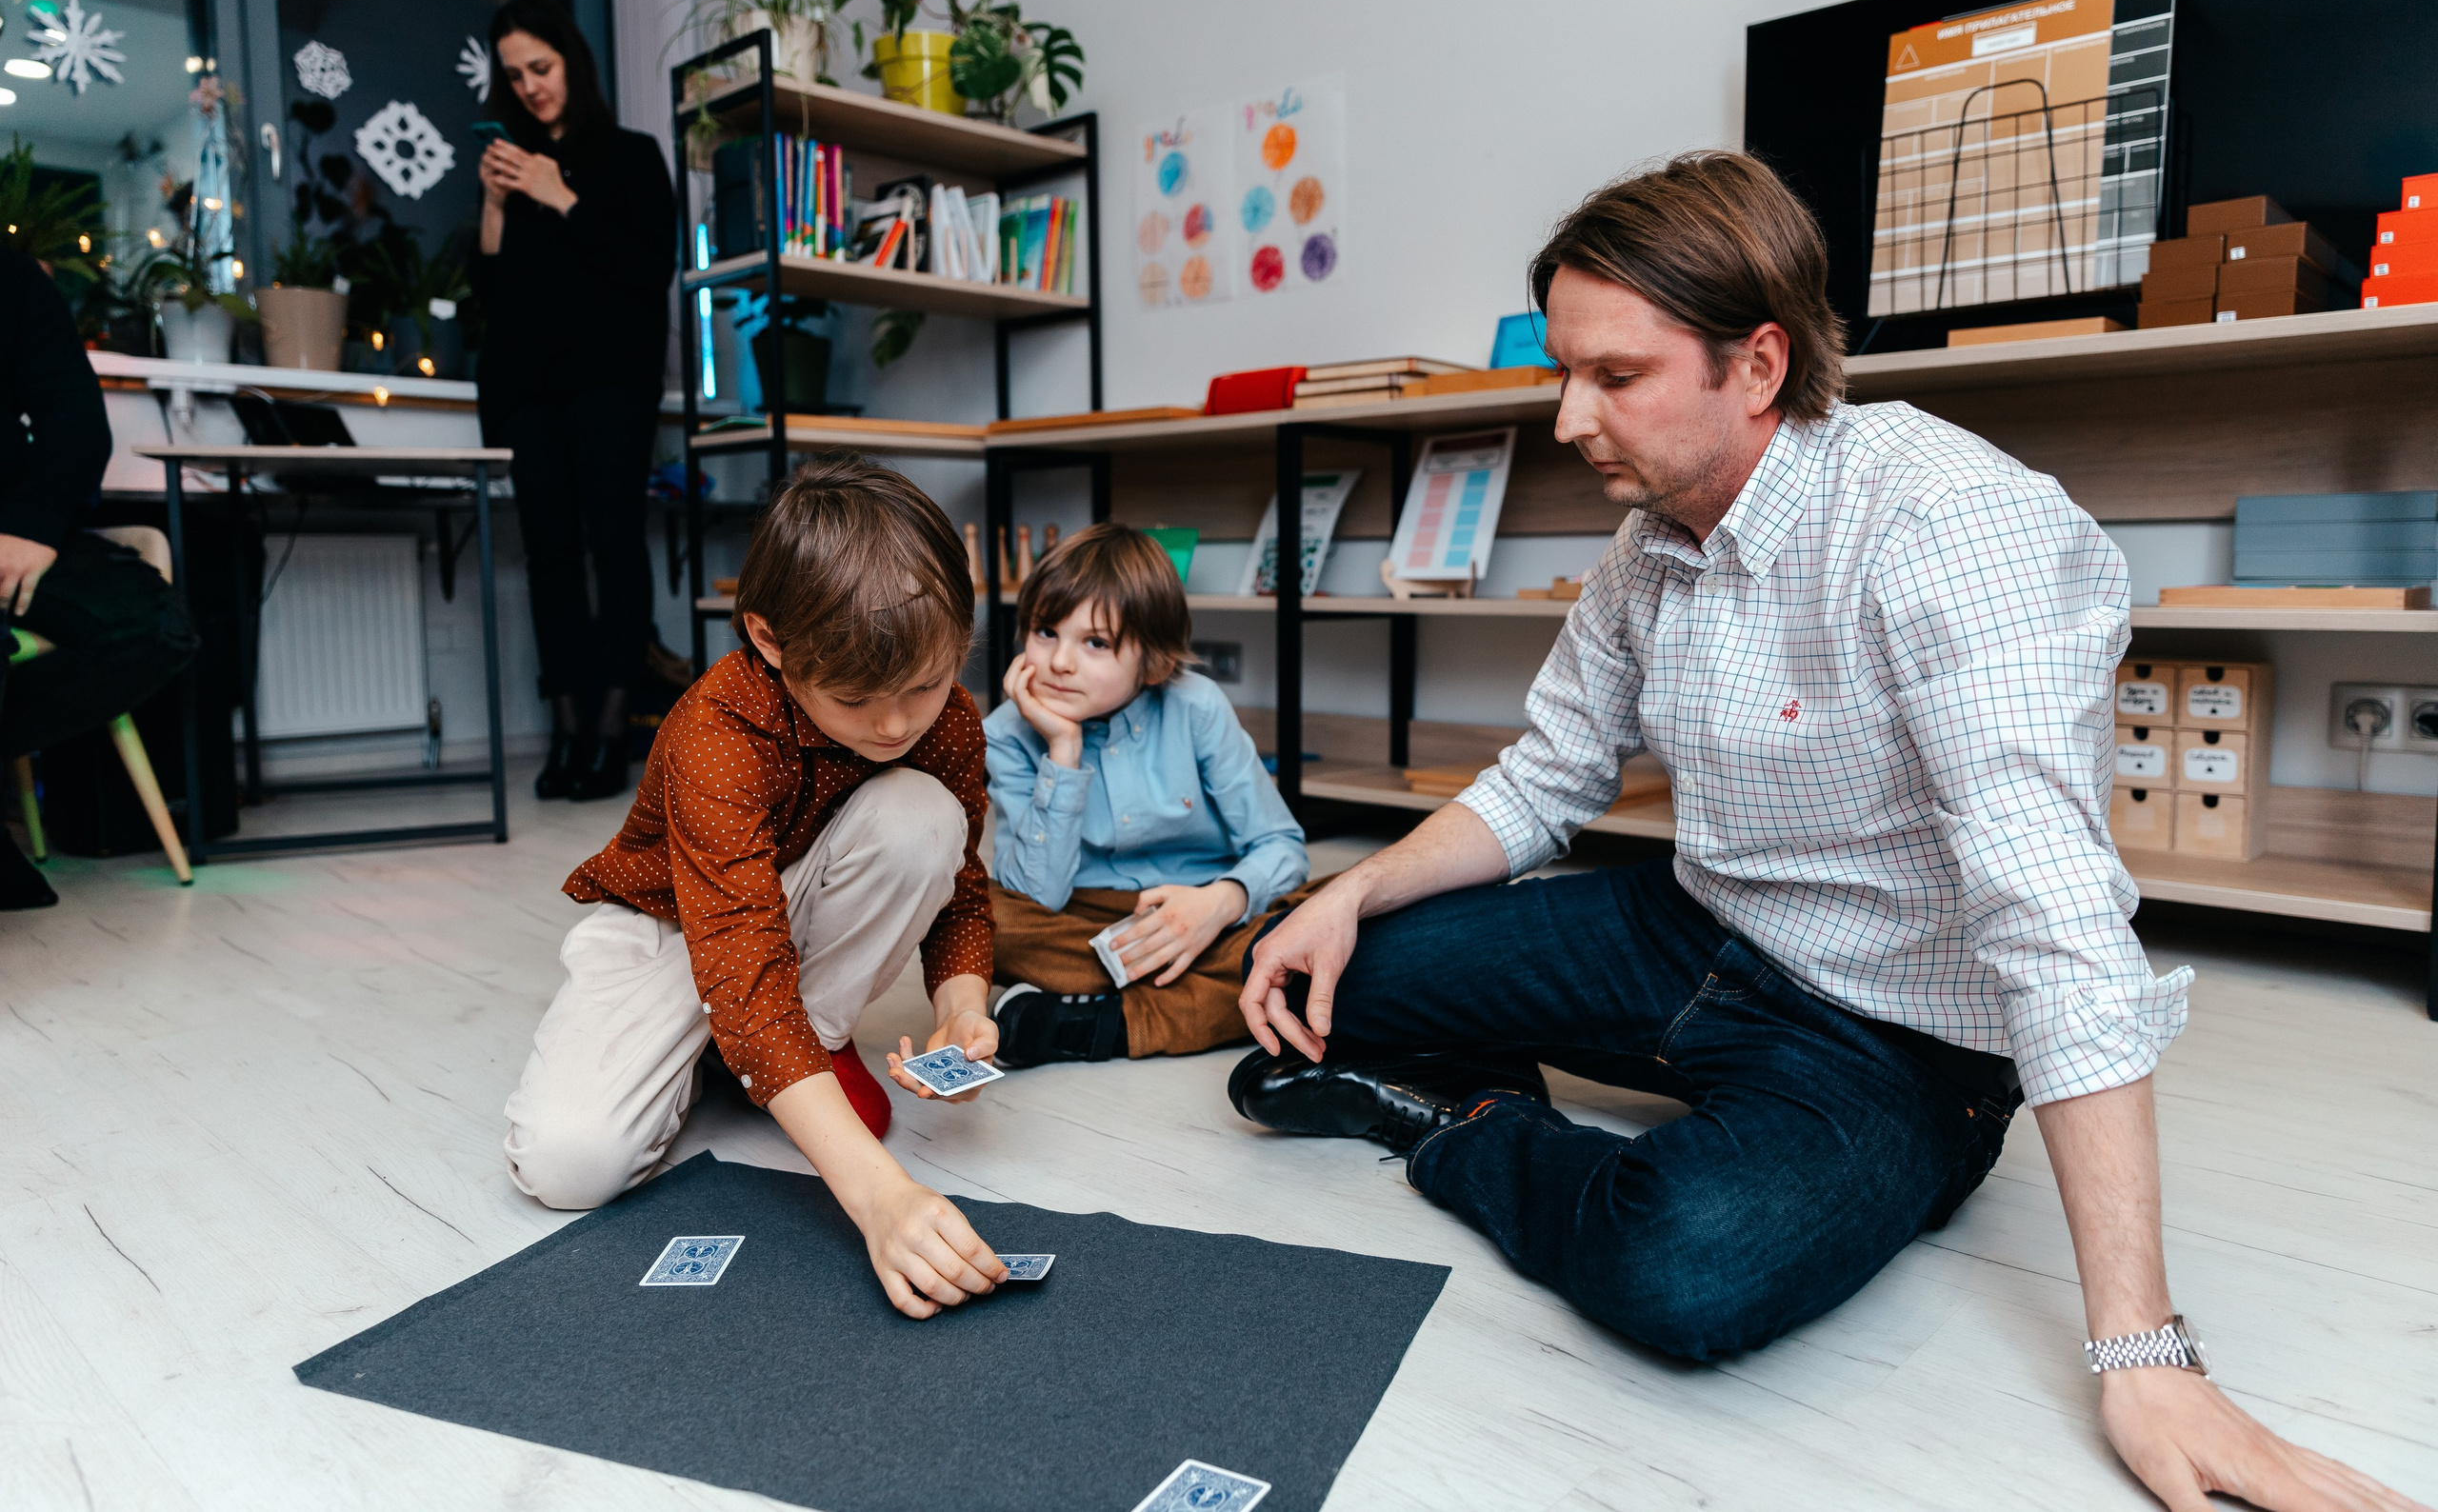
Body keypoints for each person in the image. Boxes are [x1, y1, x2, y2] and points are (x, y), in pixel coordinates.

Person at [1230, 152, 2425, 1512]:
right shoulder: (1655, 539)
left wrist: (2144, 1348)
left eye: (1612, 377)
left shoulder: (1945, 524)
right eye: (1564, 373)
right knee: (1332, 968)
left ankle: (1467, 1120)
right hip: (1693, 929)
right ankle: (1496, 1048)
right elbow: (1545, 778)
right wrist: (1350, 891)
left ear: (1757, 365)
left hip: (1898, 1032)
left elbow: (2056, 918)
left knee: (1679, 1266)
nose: (1567, 419)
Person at [503, 457, 1009, 1320]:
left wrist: (964, 1004)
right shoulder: (717, 730)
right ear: (771, 642)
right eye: (856, 698)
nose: (896, 724)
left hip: (795, 920)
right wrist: (882, 1198)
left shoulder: (947, 717)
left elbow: (958, 886)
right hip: (669, 926)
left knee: (925, 816)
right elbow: (740, 964)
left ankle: (783, 1052)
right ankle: (749, 1057)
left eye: (924, 685)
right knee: (567, 1163)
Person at [985, 523, 1310, 1065]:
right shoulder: (1006, 732)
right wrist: (1063, 750)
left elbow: (1282, 846)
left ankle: (1099, 1022)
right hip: (1083, 918)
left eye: (1095, 643)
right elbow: (1035, 897)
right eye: (1045, 632)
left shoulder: (1197, 707)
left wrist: (1219, 902)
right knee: (976, 918)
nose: (1061, 662)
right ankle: (1219, 1000)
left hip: (1207, 911)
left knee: (1338, 908)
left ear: (1153, 659)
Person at [469, 0, 676, 804]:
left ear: (573, 64)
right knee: (549, 557)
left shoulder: (630, 156)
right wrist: (495, 204)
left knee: (614, 547)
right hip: (528, 389)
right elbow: (490, 290)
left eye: (541, 68)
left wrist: (561, 196)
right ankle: (564, 727)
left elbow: (643, 271)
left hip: (610, 384)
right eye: (514, 75)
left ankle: (612, 729)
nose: (528, 87)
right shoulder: (511, 166)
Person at [0, 244, 197, 909]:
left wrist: (31, 527)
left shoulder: (10, 273)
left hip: (14, 531)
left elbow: (76, 415)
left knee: (156, 629)